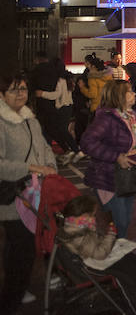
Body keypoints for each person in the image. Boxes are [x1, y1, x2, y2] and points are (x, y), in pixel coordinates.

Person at [0, 73, 57, 312]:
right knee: (21, 250)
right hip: (13, 197)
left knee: (18, 249)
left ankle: (17, 290)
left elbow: (43, 147)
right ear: (2, 95)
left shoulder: (30, 119)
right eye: (14, 90)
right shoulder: (2, 122)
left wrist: (51, 167)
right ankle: (10, 300)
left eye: (23, 88)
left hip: (34, 193)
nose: (20, 93)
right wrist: (32, 167)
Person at [81, 79, 136, 239]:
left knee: (125, 220)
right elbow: (87, 142)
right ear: (119, 96)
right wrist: (116, 157)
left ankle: (119, 251)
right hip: (108, 178)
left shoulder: (135, 116)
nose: (134, 94)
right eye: (130, 91)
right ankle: (111, 253)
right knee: (117, 221)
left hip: (128, 176)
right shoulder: (106, 119)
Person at [34, 57, 80, 163]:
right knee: (57, 129)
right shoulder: (68, 77)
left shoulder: (60, 79)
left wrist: (42, 94)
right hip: (68, 106)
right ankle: (72, 150)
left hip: (63, 107)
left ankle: (75, 150)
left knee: (61, 130)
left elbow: (56, 94)